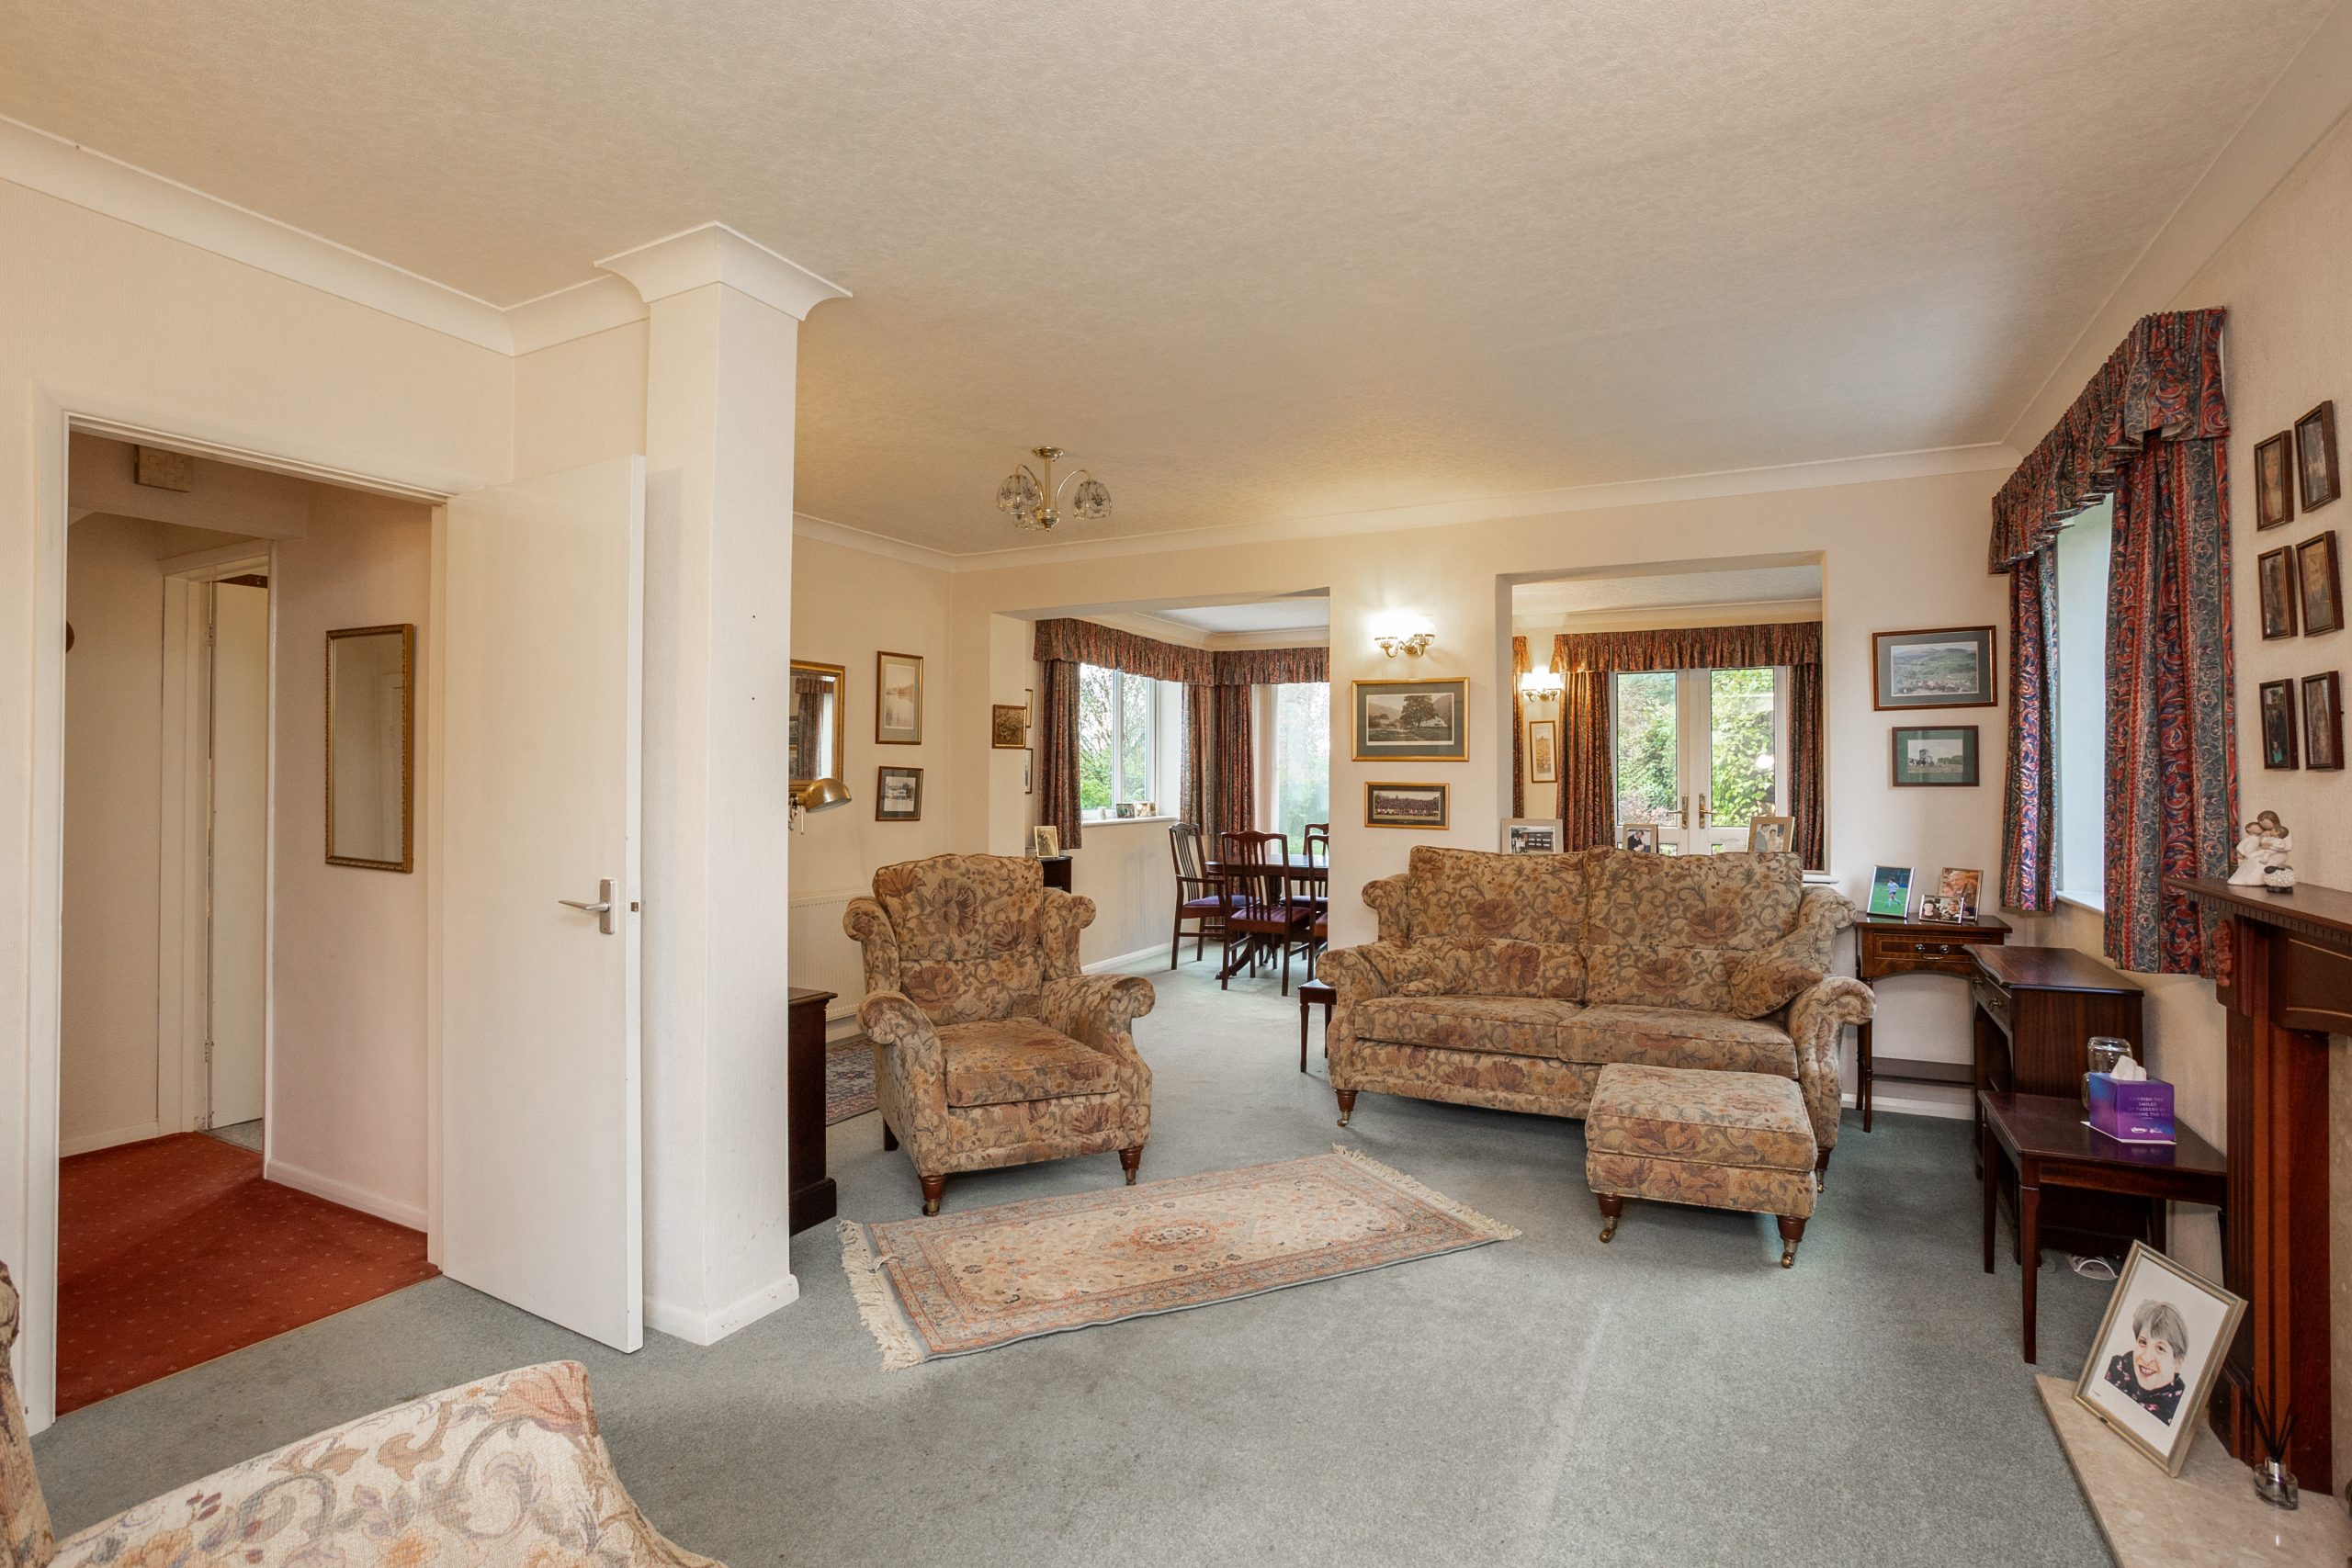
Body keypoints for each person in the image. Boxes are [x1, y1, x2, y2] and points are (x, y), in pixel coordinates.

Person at [2104, 1300, 2190, 1425]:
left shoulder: (2180, 1411)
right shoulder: (2113, 1369)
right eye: (2143, 1342)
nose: (2146, 1358)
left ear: (2178, 1363)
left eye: (2160, 1348)